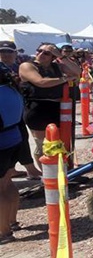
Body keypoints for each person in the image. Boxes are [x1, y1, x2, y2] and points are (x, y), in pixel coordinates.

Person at [18, 43, 75, 168]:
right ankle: (47, 175)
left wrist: (61, 56)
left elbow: (77, 72)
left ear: (53, 56)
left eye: (47, 53)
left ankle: (63, 170)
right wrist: (65, 79)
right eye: (39, 51)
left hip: (57, 108)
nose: (41, 54)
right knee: (44, 144)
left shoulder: (57, 66)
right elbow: (41, 82)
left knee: (61, 141)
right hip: (38, 108)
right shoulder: (27, 66)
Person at [0, 41, 41, 180]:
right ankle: (28, 169)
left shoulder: (20, 68)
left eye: (9, 51)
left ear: (15, 53)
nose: (5, 54)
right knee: (20, 139)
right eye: (2, 51)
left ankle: (13, 169)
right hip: (6, 113)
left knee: (21, 139)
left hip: (18, 109)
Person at [0, 62, 25, 244]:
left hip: (2, 143)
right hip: (14, 139)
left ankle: (3, 232)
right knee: (7, 183)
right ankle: (12, 221)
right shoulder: (12, 90)